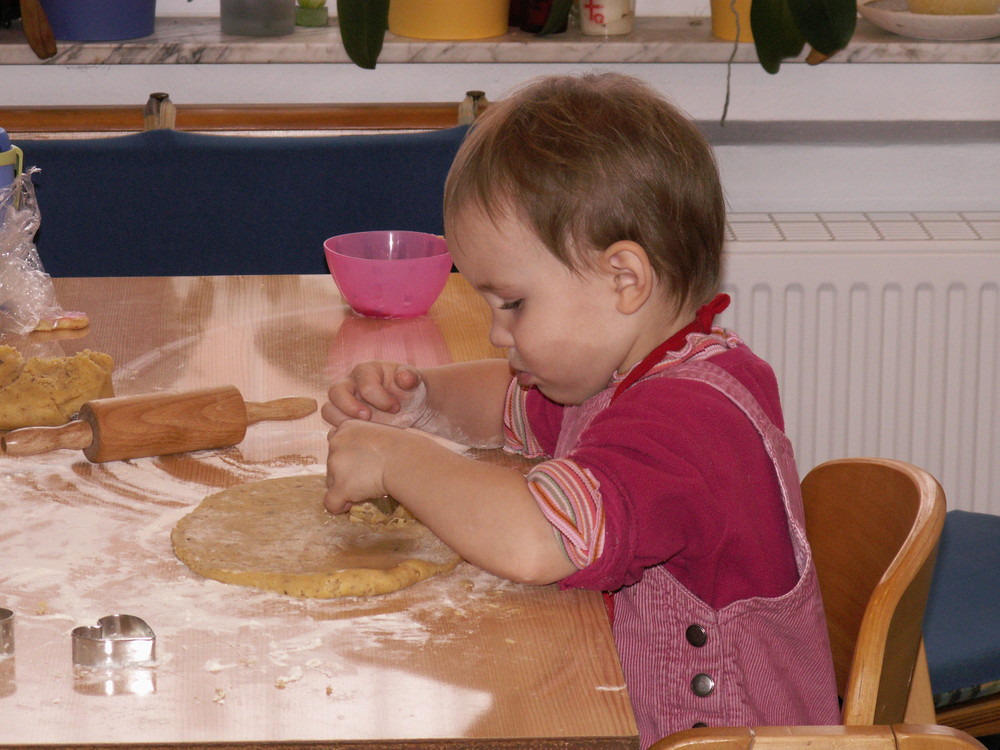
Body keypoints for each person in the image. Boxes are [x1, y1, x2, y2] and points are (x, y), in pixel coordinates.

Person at [322, 72, 840, 747]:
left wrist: (399, 460)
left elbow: (539, 539)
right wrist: (422, 401)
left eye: (513, 304)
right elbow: (512, 402)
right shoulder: (620, 369)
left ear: (624, 279)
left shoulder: (688, 422)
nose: (497, 334)